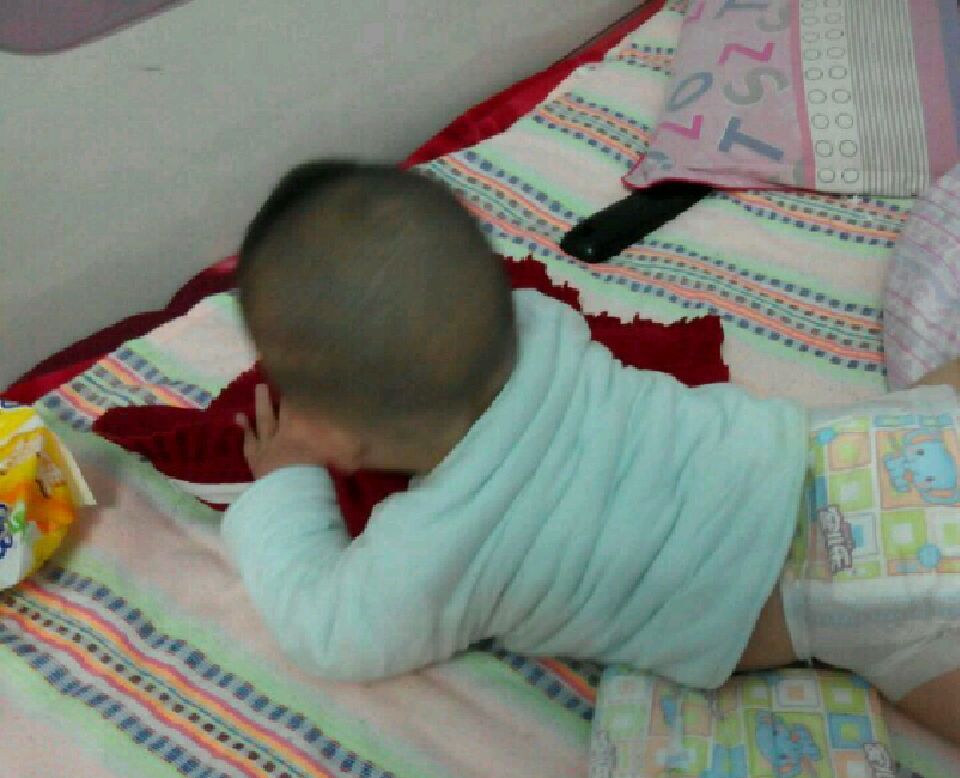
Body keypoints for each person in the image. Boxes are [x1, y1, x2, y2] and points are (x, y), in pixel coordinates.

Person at [224, 159, 960, 746]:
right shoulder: (545, 328)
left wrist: (285, 481)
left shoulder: (437, 550)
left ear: (343, 443)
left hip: (861, 595)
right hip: (865, 443)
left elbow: (329, 630)